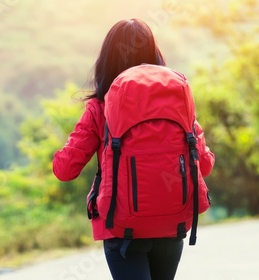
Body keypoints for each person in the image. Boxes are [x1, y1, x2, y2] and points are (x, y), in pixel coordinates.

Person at [52, 18, 215, 280]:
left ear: (106, 59)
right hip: (170, 226)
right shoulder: (175, 102)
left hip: (122, 228)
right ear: (153, 54)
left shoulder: (99, 108)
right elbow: (204, 164)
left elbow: (65, 170)